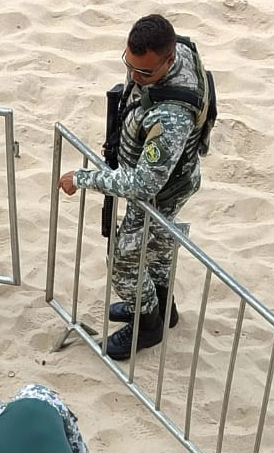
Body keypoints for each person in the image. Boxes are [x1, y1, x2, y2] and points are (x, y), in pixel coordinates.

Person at [59, 14, 210, 360]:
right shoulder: (177, 49)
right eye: (130, 66)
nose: (134, 77)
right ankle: (162, 309)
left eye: (145, 73)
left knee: (125, 260)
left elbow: (142, 183)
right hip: (171, 181)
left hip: (159, 190)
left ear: (168, 60)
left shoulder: (171, 117)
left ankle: (148, 325)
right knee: (157, 248)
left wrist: (82, 178)